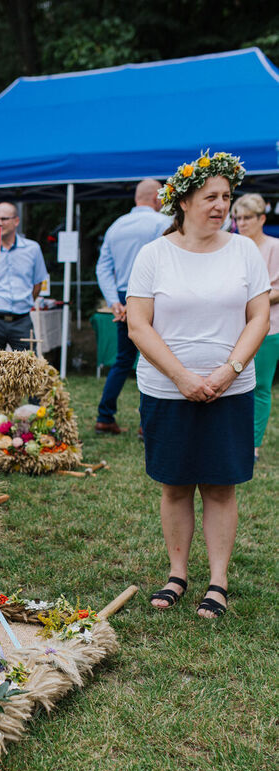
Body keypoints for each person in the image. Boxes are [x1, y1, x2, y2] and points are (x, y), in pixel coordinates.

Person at [127, 152, 270, 618]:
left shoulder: (244, 251)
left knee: (221, 486)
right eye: (211, 196)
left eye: (226, 197)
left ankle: (218, 581)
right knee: (174, 484)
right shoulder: (154, 254)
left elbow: (260, 316)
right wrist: (184, 377)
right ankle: (176, 574)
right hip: (168, 390)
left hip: (231, 389)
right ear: (183, 200)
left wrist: (228, 370)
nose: (221, 205)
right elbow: (139, 326)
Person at [95, 179, 171, 434]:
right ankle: (146, 423)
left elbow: (103, 267)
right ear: (156, 199)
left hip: (121, 295)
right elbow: (164, 264)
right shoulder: (161, 223)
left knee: (123, 359)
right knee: (155, 357)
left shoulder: (116, 226)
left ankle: (104, 416)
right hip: (152, 295)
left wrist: (115, 302)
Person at [231, 193, 279, 460]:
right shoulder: (233, 246)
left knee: (260, 386)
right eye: (237, 218)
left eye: (247, 217)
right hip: (235, 326)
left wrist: (250, 299)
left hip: (269, 327)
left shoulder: (274, 247)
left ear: (261, 218)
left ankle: (253, 444)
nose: (242, 223)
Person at [0, 201, 47, 352]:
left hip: (22, 321)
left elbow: (38, 284)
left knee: (28, 370)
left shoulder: (32, 249)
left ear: (16, 221)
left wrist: (23, 303)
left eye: (4, 219)